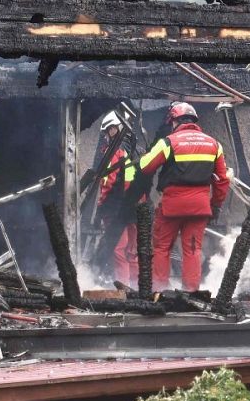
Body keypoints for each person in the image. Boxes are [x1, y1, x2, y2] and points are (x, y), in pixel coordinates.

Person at [136, 102, 231, 292]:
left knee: (162, 248)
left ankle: (159, 292)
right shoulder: (214, 144)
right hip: (200, 208)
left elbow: (145, 166)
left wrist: (146, 153)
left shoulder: (169, 142)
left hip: (172, 206)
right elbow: (222, 180)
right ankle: (190, 293)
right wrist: (215, 205)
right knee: (193, 250)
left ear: (174, 121)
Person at [94, 112, 142, 284]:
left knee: (118, 249)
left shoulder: (114, 151)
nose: (107, 136)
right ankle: (137, 289)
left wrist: (101, 206)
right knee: (132, 250)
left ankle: (123, 289)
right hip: (136, 207)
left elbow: (108, 180)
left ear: (115, 128)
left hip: (116, 208)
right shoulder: (136, 150)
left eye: (108, 131)